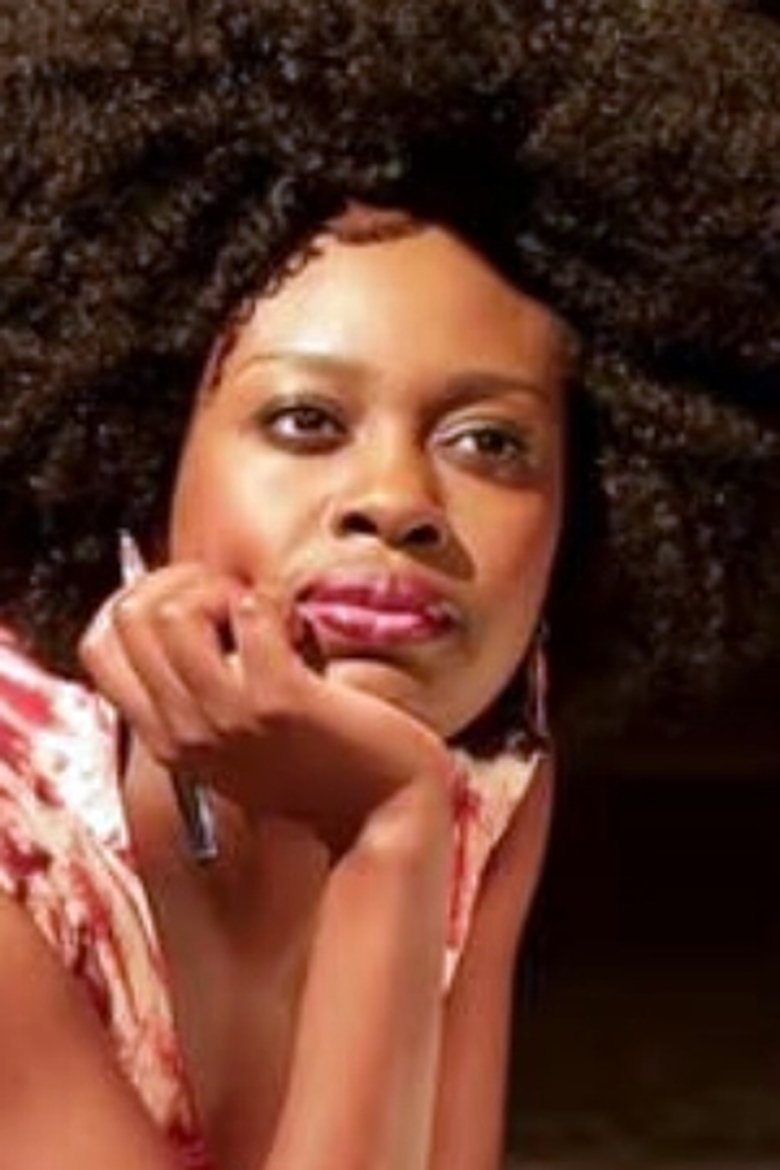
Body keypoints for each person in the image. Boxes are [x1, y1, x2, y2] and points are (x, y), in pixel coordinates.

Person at [0, 2, 778, 1169]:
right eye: (305, 421)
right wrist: (384, 834)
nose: (398, 499)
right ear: (146, 455)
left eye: (489, 443)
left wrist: (401, 832)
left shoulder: (483, 767)